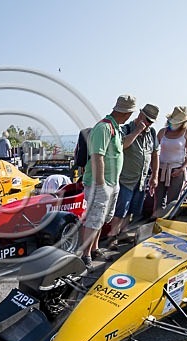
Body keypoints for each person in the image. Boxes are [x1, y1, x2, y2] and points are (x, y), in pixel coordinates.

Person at [80, 94, 136, 269]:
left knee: (102, 218)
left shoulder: (115, 128)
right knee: (94, 219)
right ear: (127, 113)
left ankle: (94, 248)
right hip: (101, 184)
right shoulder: (104, 128)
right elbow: (98, 157)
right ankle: (85, 254)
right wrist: (100, 184)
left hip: (111, 183)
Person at [108, 103, 160, 248]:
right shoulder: (126, 129)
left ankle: (123, 233)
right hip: (126, 179)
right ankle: (112, 236)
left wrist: (154, 176)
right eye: (147, 119)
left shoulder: (152, 133)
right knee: (120, 210)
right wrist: (138, 131)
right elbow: (122, 145)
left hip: (142, 179)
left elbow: (155, 155)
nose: (148, 124)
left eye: (151, 122)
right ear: (140, 114)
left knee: (132, 210)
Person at [154, 106, 187, 209]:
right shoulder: (162, 132)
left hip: (177, 169)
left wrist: (182, 168)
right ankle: (156, 219)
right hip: (161, 168)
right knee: (158, 200)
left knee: (172, 202)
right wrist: (154, 169)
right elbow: (154, 151)